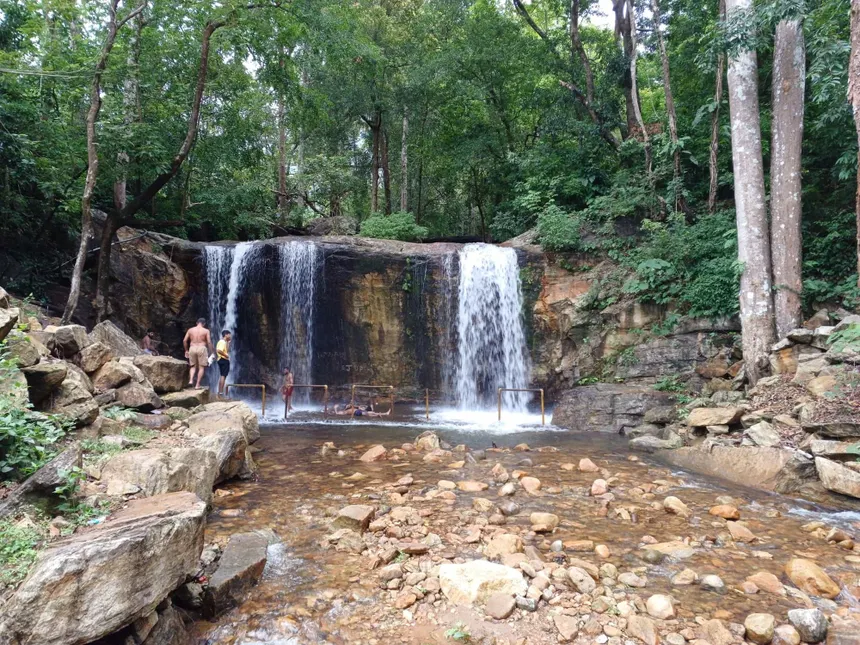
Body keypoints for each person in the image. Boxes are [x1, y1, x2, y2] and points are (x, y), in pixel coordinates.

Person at [183, 318, 214, 389]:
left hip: (192, 348)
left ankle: (190, 380)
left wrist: (186, 350)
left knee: (193, 366)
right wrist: (212, 352)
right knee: (201, 367)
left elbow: (184, 340)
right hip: (202, 348)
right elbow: (209, 342)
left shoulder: (190, 330)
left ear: (197, 323)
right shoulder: (206, 331)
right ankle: (197, 385)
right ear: (204, 324)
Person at [215, 330, 232, 398]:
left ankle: (220, 392)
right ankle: (221, 392)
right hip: (223, 360)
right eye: (229, 334)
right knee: (223, 376)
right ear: (226, 335)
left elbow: (226, 350)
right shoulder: (222, 342)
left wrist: (228, 342)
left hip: (222, 360)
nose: (230, 336)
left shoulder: (224, 342)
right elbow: (219, 350)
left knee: (223, 376)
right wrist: (226, 355)